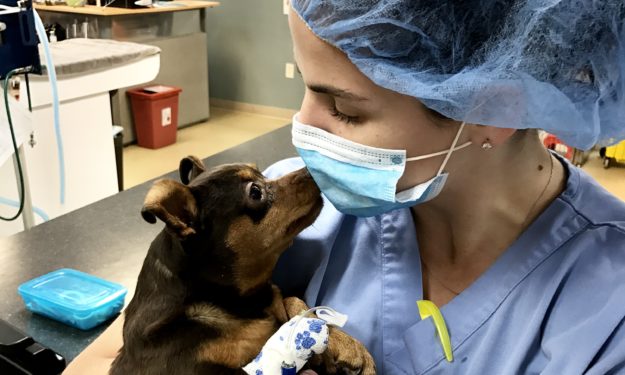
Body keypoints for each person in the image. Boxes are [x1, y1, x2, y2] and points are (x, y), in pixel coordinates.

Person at [65, 1, 625, 374]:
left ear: (497, 105)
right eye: (306, 89)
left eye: (343, 109)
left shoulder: (605, 316)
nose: (303, 130)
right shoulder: (308, 214)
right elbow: (128, 349)